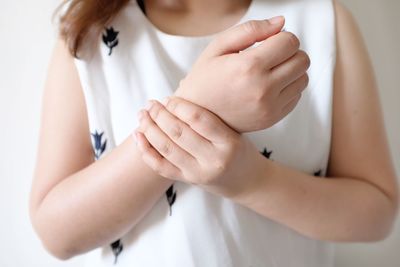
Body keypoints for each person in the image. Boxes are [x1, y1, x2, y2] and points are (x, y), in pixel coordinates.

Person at [29, 0, 399, 266]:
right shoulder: (87, 34)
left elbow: (377, 212)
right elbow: (56, 233)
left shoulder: (321, 21)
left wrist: (251, 180)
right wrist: (199, 103)